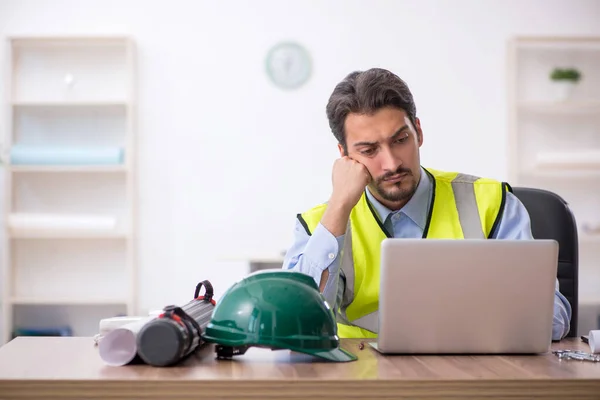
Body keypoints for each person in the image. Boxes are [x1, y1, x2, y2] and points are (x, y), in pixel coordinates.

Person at [282, 67, 571, 341]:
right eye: (369, 150)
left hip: (473, 376)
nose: (392, 163)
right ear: (344, 156)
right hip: (363, 381)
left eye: (400, 140)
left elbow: (554, 320)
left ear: (418, 132)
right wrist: (339, 207)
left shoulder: (491, 203)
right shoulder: (319, 223)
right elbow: (294, 324)